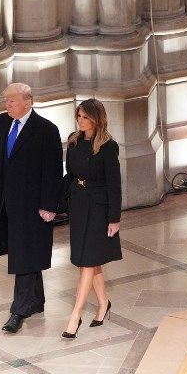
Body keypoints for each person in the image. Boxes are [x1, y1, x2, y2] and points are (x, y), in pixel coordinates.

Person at [0, 82, 63, 334]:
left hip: (32, 206)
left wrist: (50, 205)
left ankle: (19, 309)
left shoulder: (46, 130)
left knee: (24, 253)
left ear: (27, 101)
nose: (7, 105)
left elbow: (53, 171)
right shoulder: (0, 123)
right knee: (24, 250)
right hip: (5, 202)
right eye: (6, 101)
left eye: (11, 101)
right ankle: (35, 300)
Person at [60, 99, 122, 339]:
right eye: (79, 116)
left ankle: (75, 316)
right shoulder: (74, 141)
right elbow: (69, 174)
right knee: (90, 259)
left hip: (99, 207)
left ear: (97, 118)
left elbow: (114, 185)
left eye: (85, 117)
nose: (81, 120)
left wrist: (114, 218)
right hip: (78, 204)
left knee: (86, 261)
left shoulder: (108, 146)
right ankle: (103, 302)